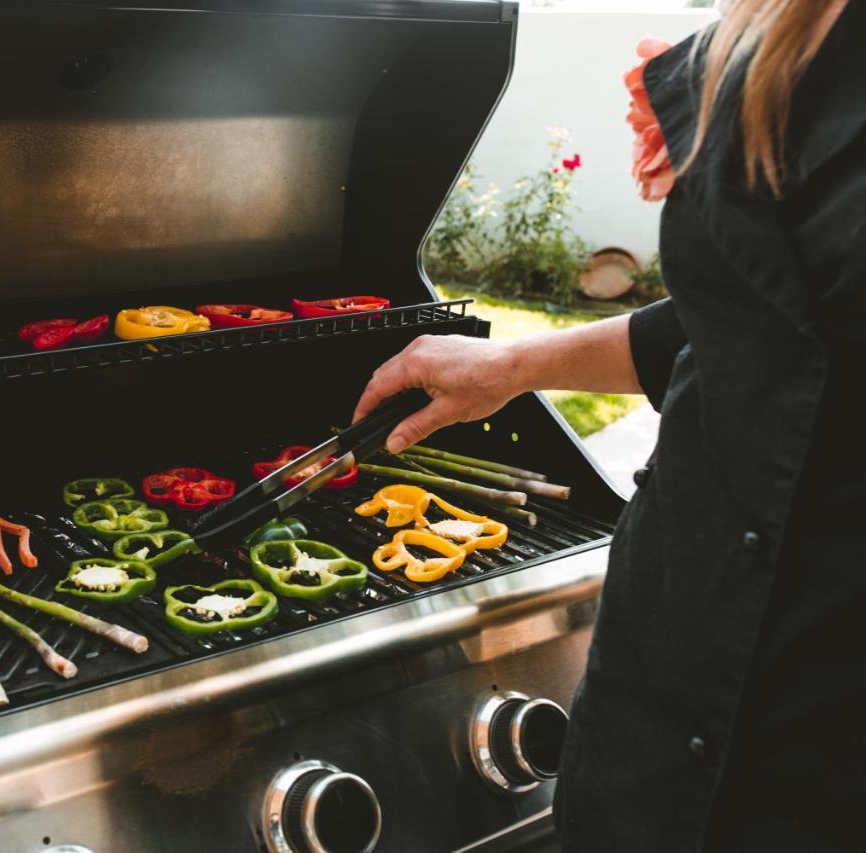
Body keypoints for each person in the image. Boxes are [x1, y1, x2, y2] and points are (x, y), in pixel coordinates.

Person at [353, 0, 864, 848]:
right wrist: (507, 369)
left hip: (808, 745)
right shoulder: (781, 32)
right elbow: (752, 332)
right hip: (647, 724)